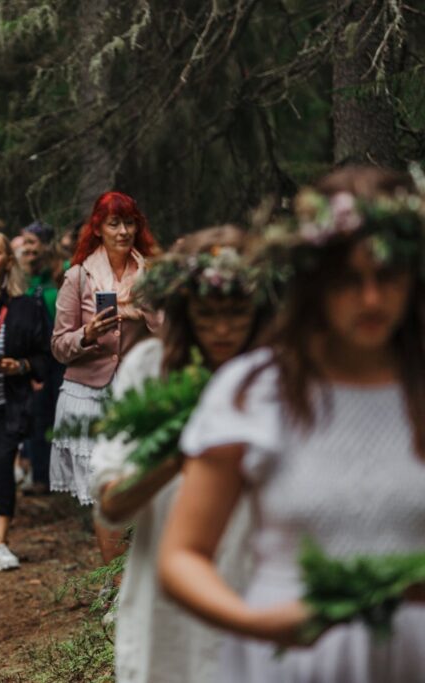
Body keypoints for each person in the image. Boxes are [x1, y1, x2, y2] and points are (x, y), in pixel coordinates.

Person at [159, 166, 425, 682]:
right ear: (315, 283)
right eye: (349, 280)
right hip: (290, 662)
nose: (372, 299)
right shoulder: (254, 390)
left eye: (388, 276)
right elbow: (182, 556)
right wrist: (253, 622)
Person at [90, 226, 270, 683]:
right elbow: (111, 503)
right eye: (207, 314)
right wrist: (178, 453)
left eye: (236, 312)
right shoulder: (150, 370)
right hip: (166, 604)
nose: (223, 329)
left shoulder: (280, 379)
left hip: (257, 589)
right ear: (186, 312)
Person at [49, 191, 159, 562]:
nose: (123, 231)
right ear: (98, 228)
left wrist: (146, 309)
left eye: (129, 223)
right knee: (106, 491)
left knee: (139, 485)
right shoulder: (78, 277)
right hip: (87, 396)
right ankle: (114, 583)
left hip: (137, 395)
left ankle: (135, 574)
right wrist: (88, 334)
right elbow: (58, 346)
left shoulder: (151, 276)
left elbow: (171, 335)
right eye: (114, 224)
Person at [0, 230, 49, 571]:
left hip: (7, 403)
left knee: (2, 465)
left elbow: (45, 356)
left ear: (8, 261)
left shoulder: (25, 307)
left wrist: (20, 366)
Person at [19, 220, 60, 494]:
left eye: (32, 243)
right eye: (25, 243)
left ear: (46, 245)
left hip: (60, 355)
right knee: (38, 415)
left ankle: (60, 478)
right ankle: (41, 477)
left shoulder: (60, 272)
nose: (28, 249)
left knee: (57, 414)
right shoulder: (25, 277)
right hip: (36, 355)